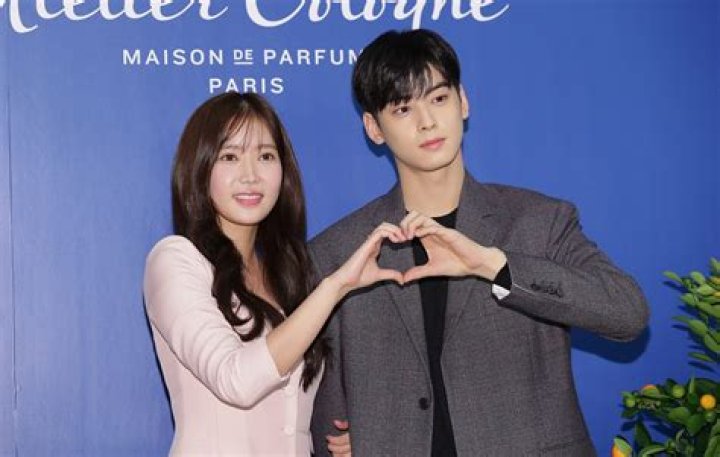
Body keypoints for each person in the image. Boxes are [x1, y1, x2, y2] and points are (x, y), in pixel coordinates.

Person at [310, 29, 649, 456]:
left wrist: (495, 266)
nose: (427, 122)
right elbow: (324, 403)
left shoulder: (539, 222)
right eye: (403, 109)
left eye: (438, 98)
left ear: (463, 102)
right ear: (374, 128)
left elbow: (627, 313)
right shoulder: (340, 250)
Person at [144, 92, 405, 456]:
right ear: (200, 169)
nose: (250, 175)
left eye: (265, 156)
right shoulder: (176, 260)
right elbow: (236, 380)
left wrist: (365, 435)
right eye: (230, 157)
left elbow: (295, 415)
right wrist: (335, 286)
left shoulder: (289, 277)